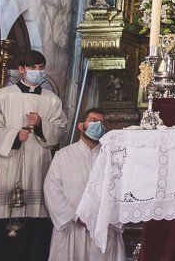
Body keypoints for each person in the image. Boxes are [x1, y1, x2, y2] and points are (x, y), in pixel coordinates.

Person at [0, 50, 67, 260]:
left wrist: (41, 125)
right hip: (6, 164)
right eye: (32, 67)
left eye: (40, 68)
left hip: (38, 164)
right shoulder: (2, 96)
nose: (37, 71)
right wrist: (14, 135)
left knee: (35, 223)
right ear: (21, 69)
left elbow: (61, 129)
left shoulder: (51, 100)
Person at [44, 109, 124, 261]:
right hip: (72, 228)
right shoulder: (63, 155)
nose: (98, 125)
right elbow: (52, 189)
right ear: (81, 126)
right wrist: (75, 216)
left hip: (102, 227)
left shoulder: (112, 158)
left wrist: (106, 215)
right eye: (93, 120)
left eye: (102, 123)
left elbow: (119, 189)